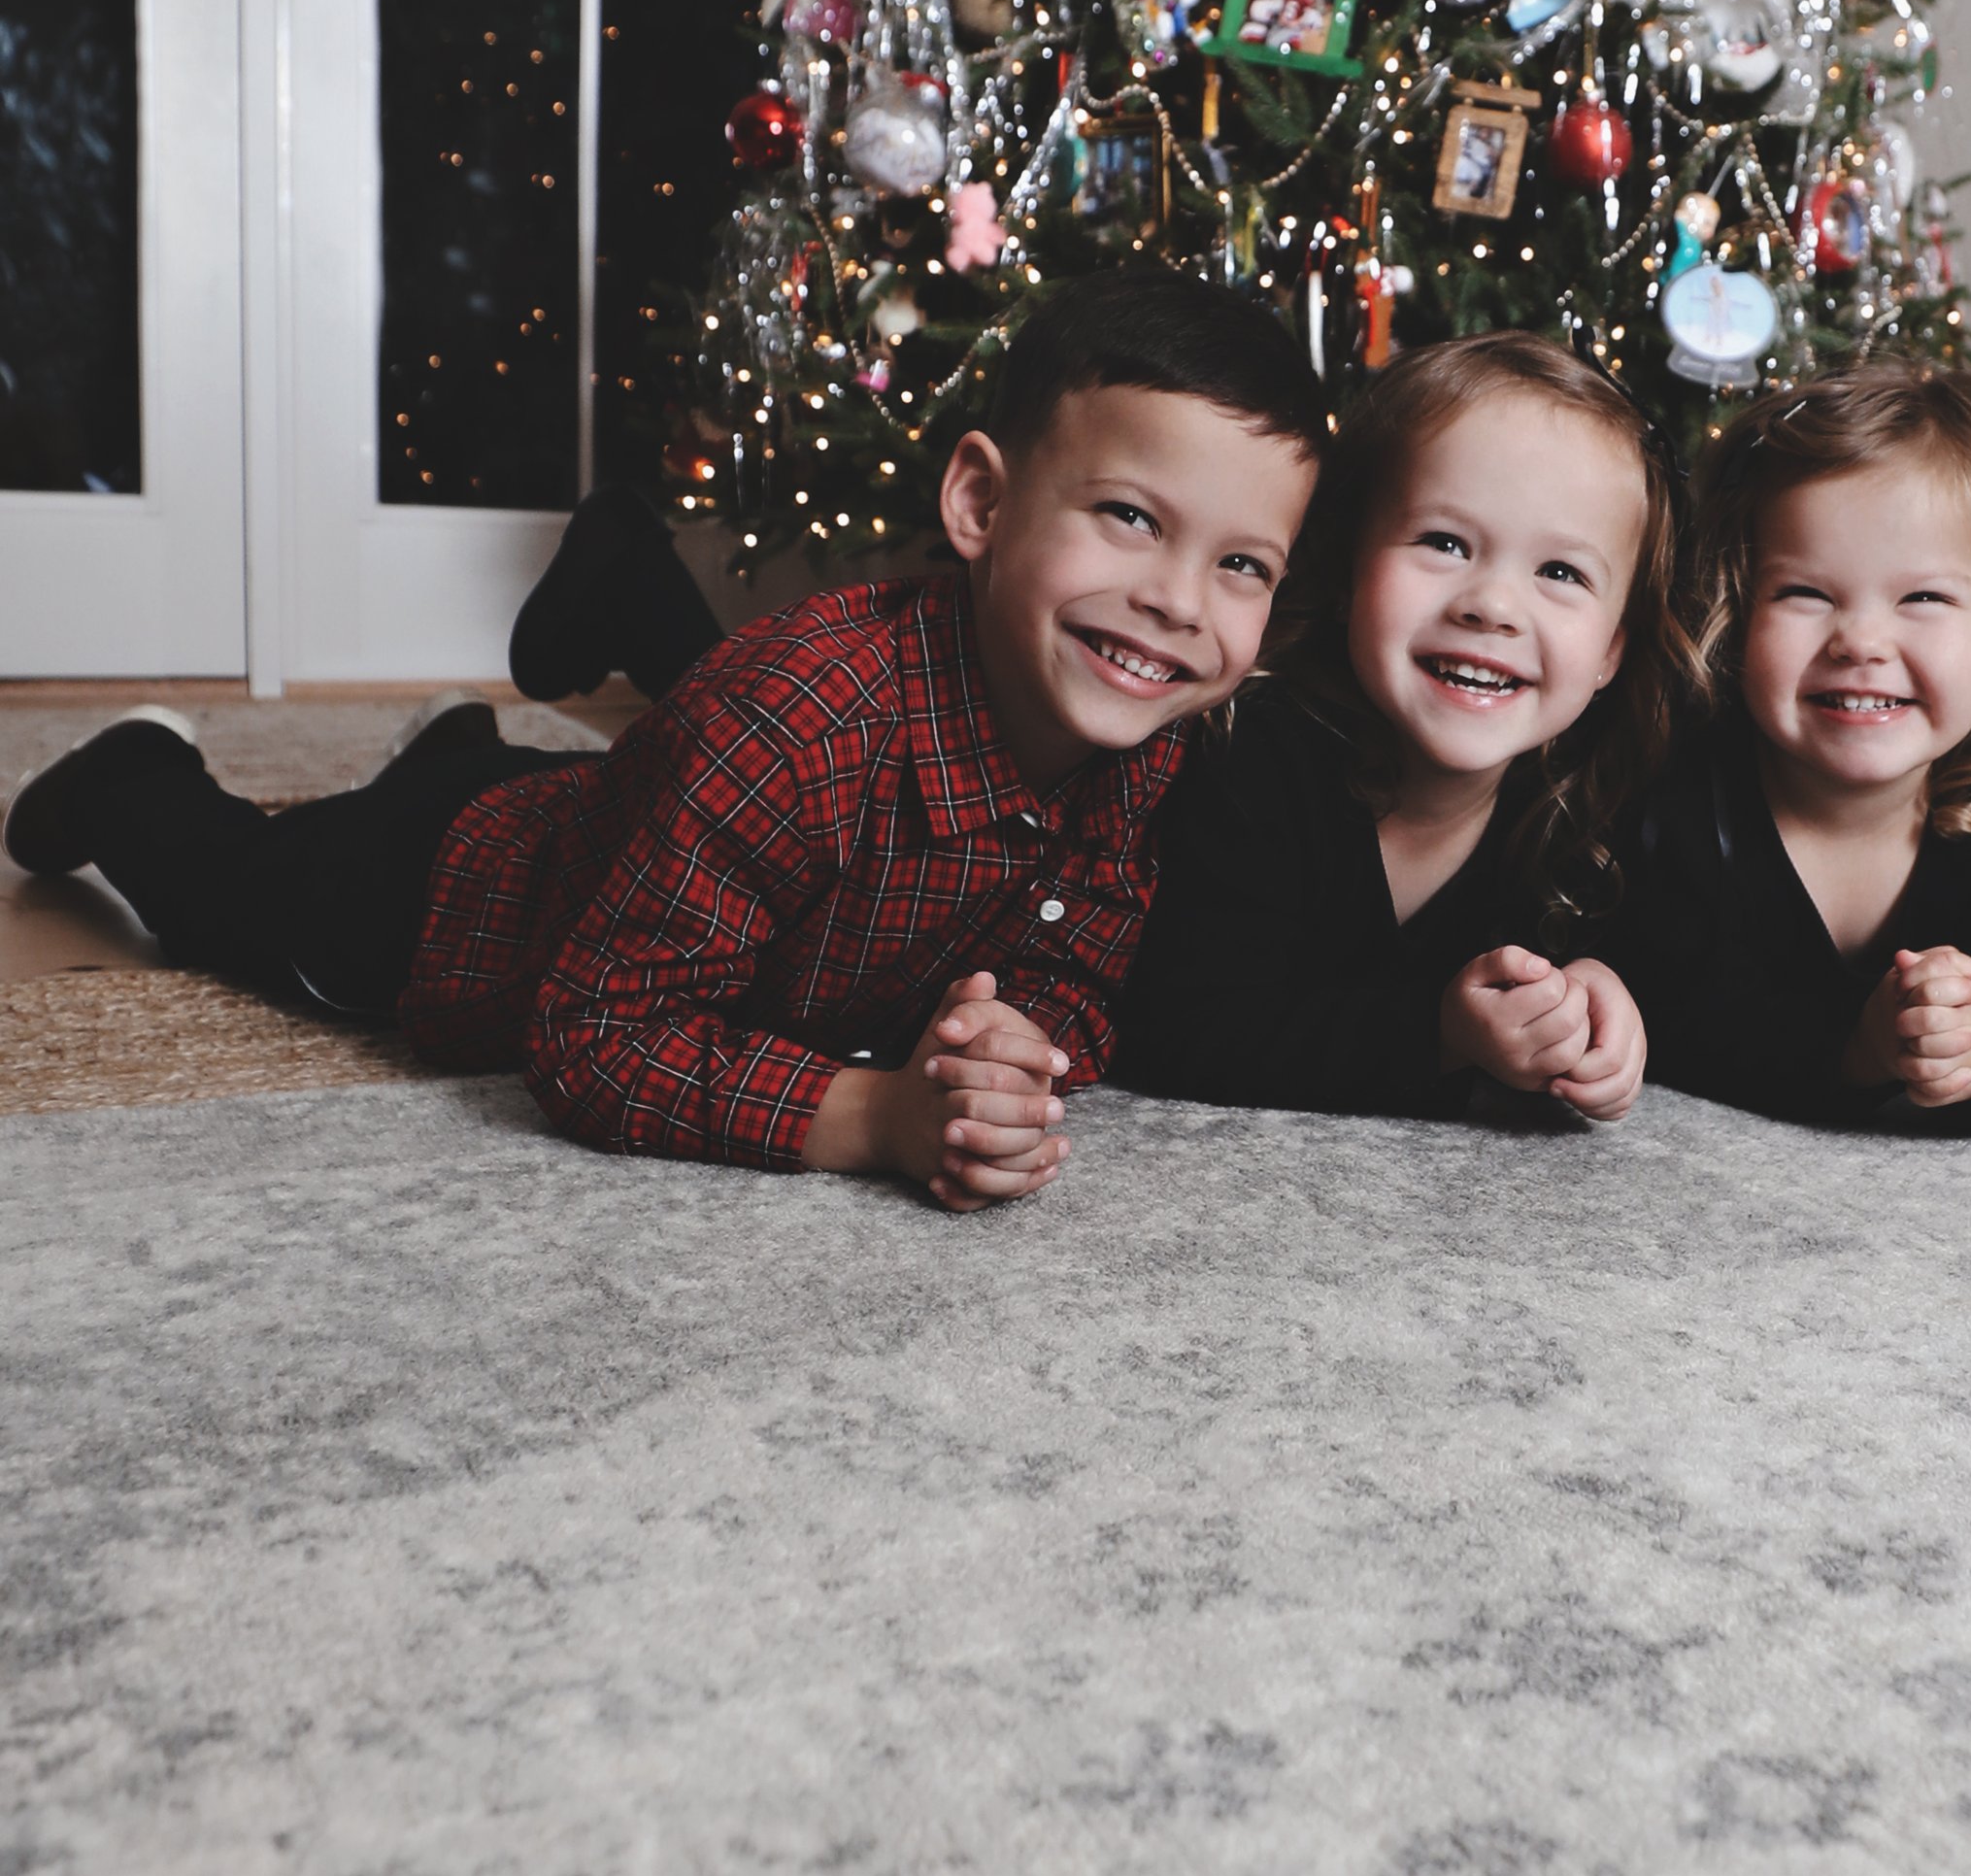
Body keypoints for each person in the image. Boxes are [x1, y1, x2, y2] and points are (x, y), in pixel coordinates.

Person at [5, 273, 1324, 1206]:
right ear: (979, 501)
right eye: (1130, 517)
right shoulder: (797, 722)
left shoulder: (1150, 749)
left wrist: (1009, 1050)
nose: (1178, 601)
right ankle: (129, 776)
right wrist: (874, 1115)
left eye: (1243, 565)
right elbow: (590, 1038)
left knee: (580, 797)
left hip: (624, 823)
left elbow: (1078, 968)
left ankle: (457, 745)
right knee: (230, 895)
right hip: (440, 903)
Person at [1113, 333, 1696, 1126]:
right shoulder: (1256, 752)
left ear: (1610, 654)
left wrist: (1592, 1000)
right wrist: (1441, 1034)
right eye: (1444, 543)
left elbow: (1672, 982)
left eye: (1560, 572)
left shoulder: (1578, 806)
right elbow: (1183, 1028)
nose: (1492, 605)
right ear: (1348, 573)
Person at [1616, 365, 1971, 1137]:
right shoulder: (1673, 798)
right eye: (1806, 594)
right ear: (1738, 619)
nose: (1861, 642)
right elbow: (1663, 1019)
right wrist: (1854, 1050)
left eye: (1923, 598)